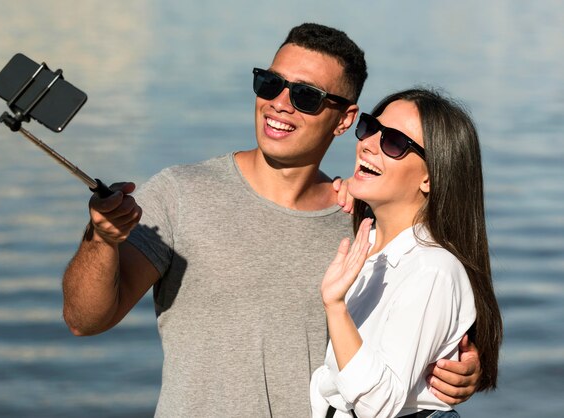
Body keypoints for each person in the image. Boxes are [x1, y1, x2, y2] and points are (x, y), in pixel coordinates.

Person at [62, 23, 481, 417]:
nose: (280, 102)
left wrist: (455, 371)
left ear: (344, 120)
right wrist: (101, 239)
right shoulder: (180, 194)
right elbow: (85, 320)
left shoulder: (362, 223)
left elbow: (418, 329)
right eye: (270, 83)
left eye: (306, 96)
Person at [310, 88, 503, 418]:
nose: (368, 143)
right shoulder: (366, 244)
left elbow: (378, 405)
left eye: (394, 142)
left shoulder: (432, 269)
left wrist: (336, 307)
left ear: (430, 176)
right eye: (371, 127)